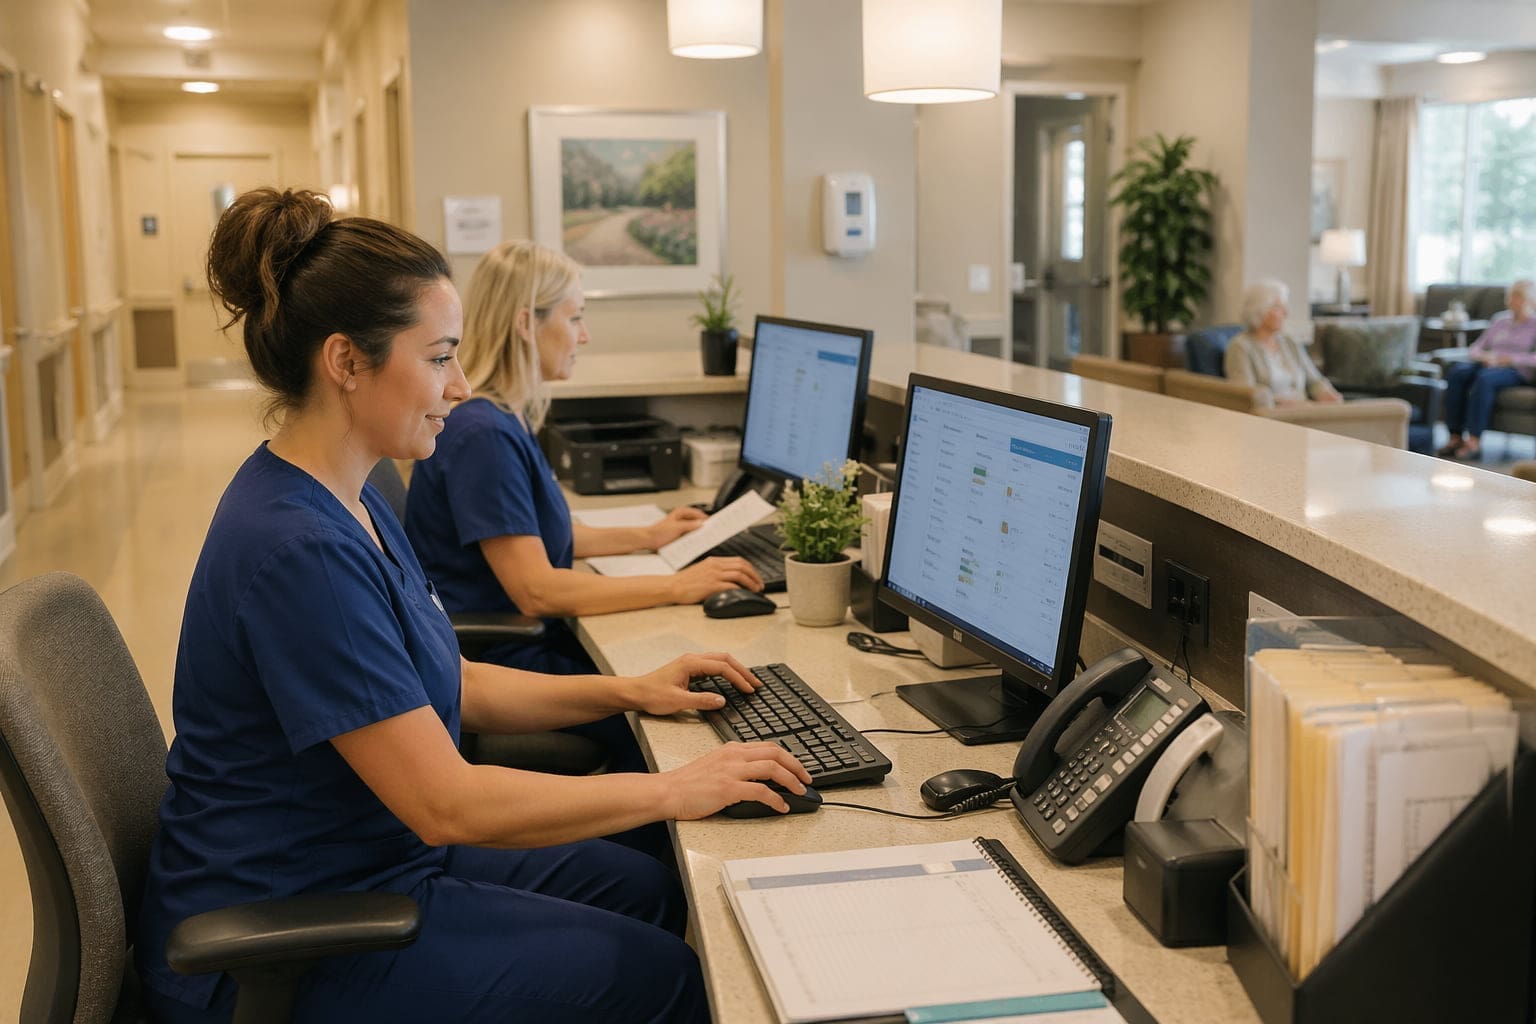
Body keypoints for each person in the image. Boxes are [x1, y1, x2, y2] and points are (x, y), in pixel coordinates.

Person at [134, 188, 810, 1024]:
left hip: (375, 856)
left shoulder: (349, 493)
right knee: (665, 973)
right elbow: (446, 801)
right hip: (289, 929)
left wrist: (633, 690)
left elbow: (454, 681)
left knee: (647, 880)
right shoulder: (296, 549)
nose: (460, 386)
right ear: (346, 361)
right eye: (439, 357)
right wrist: (675, 786)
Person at [404, 240, 762, 680]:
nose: (585, 335)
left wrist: (651, 535)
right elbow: (537, 590)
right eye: (574, 318)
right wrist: (678, 586)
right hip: (505, 664)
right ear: (525, 325)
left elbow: (534, 532)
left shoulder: (504, 414)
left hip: (523, 646)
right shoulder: (482, 436)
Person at [1437, 279, 1536, 460]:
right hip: (1488, 363)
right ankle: (1455, 436)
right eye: (1511, 296)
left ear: (1530, 300)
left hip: (1515, 370)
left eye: (1518, 296)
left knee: (1485, 379)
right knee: (1458, 373)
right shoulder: (1500, 320)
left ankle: (1474, 440)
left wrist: (1509, 359)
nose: (1513, 300)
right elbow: (1475, 348)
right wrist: (1484, 357)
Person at [1224, 280, 1344, 405]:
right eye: (1278, 308)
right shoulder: (1240, 347)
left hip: (1305, 412)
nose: (1286, 313)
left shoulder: (1289, 342)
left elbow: (1315, 381)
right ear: (1260, 311)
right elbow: (1246, 395)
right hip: (1269, 417)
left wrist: (1328, 394)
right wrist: (1291, 404)